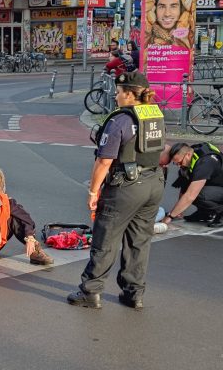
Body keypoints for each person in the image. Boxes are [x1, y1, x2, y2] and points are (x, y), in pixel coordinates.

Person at [68, 72, 165, 310]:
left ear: (130, 94)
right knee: (139, 242)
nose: (116, 94)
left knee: (106, 239)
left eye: (120, 91)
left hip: (127, 187)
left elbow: (104, 162)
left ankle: (90, 292)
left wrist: (93, 192)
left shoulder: (120, 120)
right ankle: (134, 294)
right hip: (153, 183)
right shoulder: (154, 114)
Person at [159, 141, 223, 228]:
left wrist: (170, 217)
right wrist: (178, 211)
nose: (178, 165)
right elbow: (184, 185)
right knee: (190, 189)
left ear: (188, 155)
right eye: (176, 163)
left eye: (179, 162)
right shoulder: (192, 154)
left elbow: (190, 195)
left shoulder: (204, 163)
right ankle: (206, 213)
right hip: (219, 185)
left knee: (197, 194)